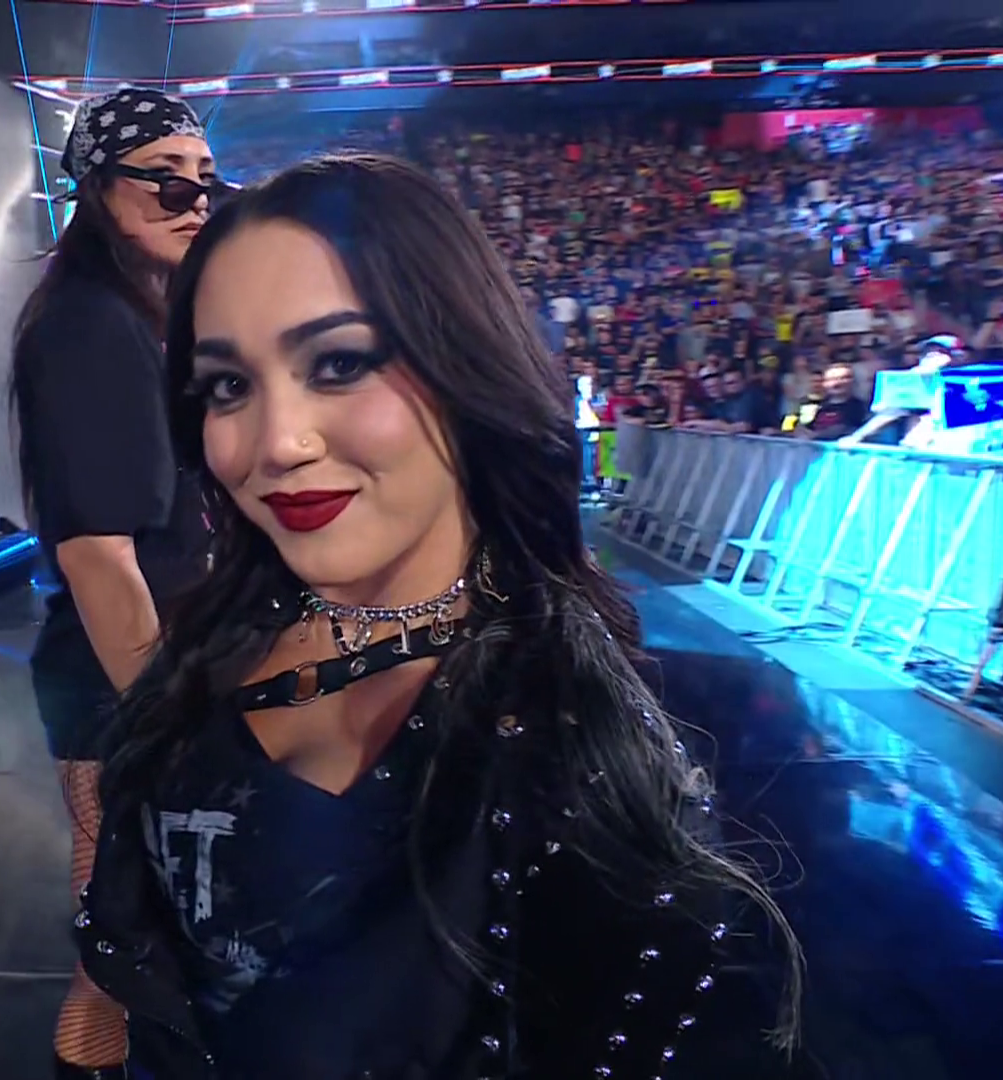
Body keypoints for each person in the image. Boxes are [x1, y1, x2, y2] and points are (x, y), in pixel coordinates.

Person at [74, 154, 800, 1079]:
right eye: (228, 386)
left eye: (340, 364)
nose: (277, 443)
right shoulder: (214, 642)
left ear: (464, 367)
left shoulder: (580, 758)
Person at [10, 87, 220, 1080]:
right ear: (97, 187)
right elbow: (99, 553)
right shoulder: (92, 324)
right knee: (124, 938)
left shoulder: (138, 316)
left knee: (127, 934)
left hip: (146, 669)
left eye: (205, 181)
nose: (194, 199)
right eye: (165, 179)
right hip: (120, 682)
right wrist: (162, 717)